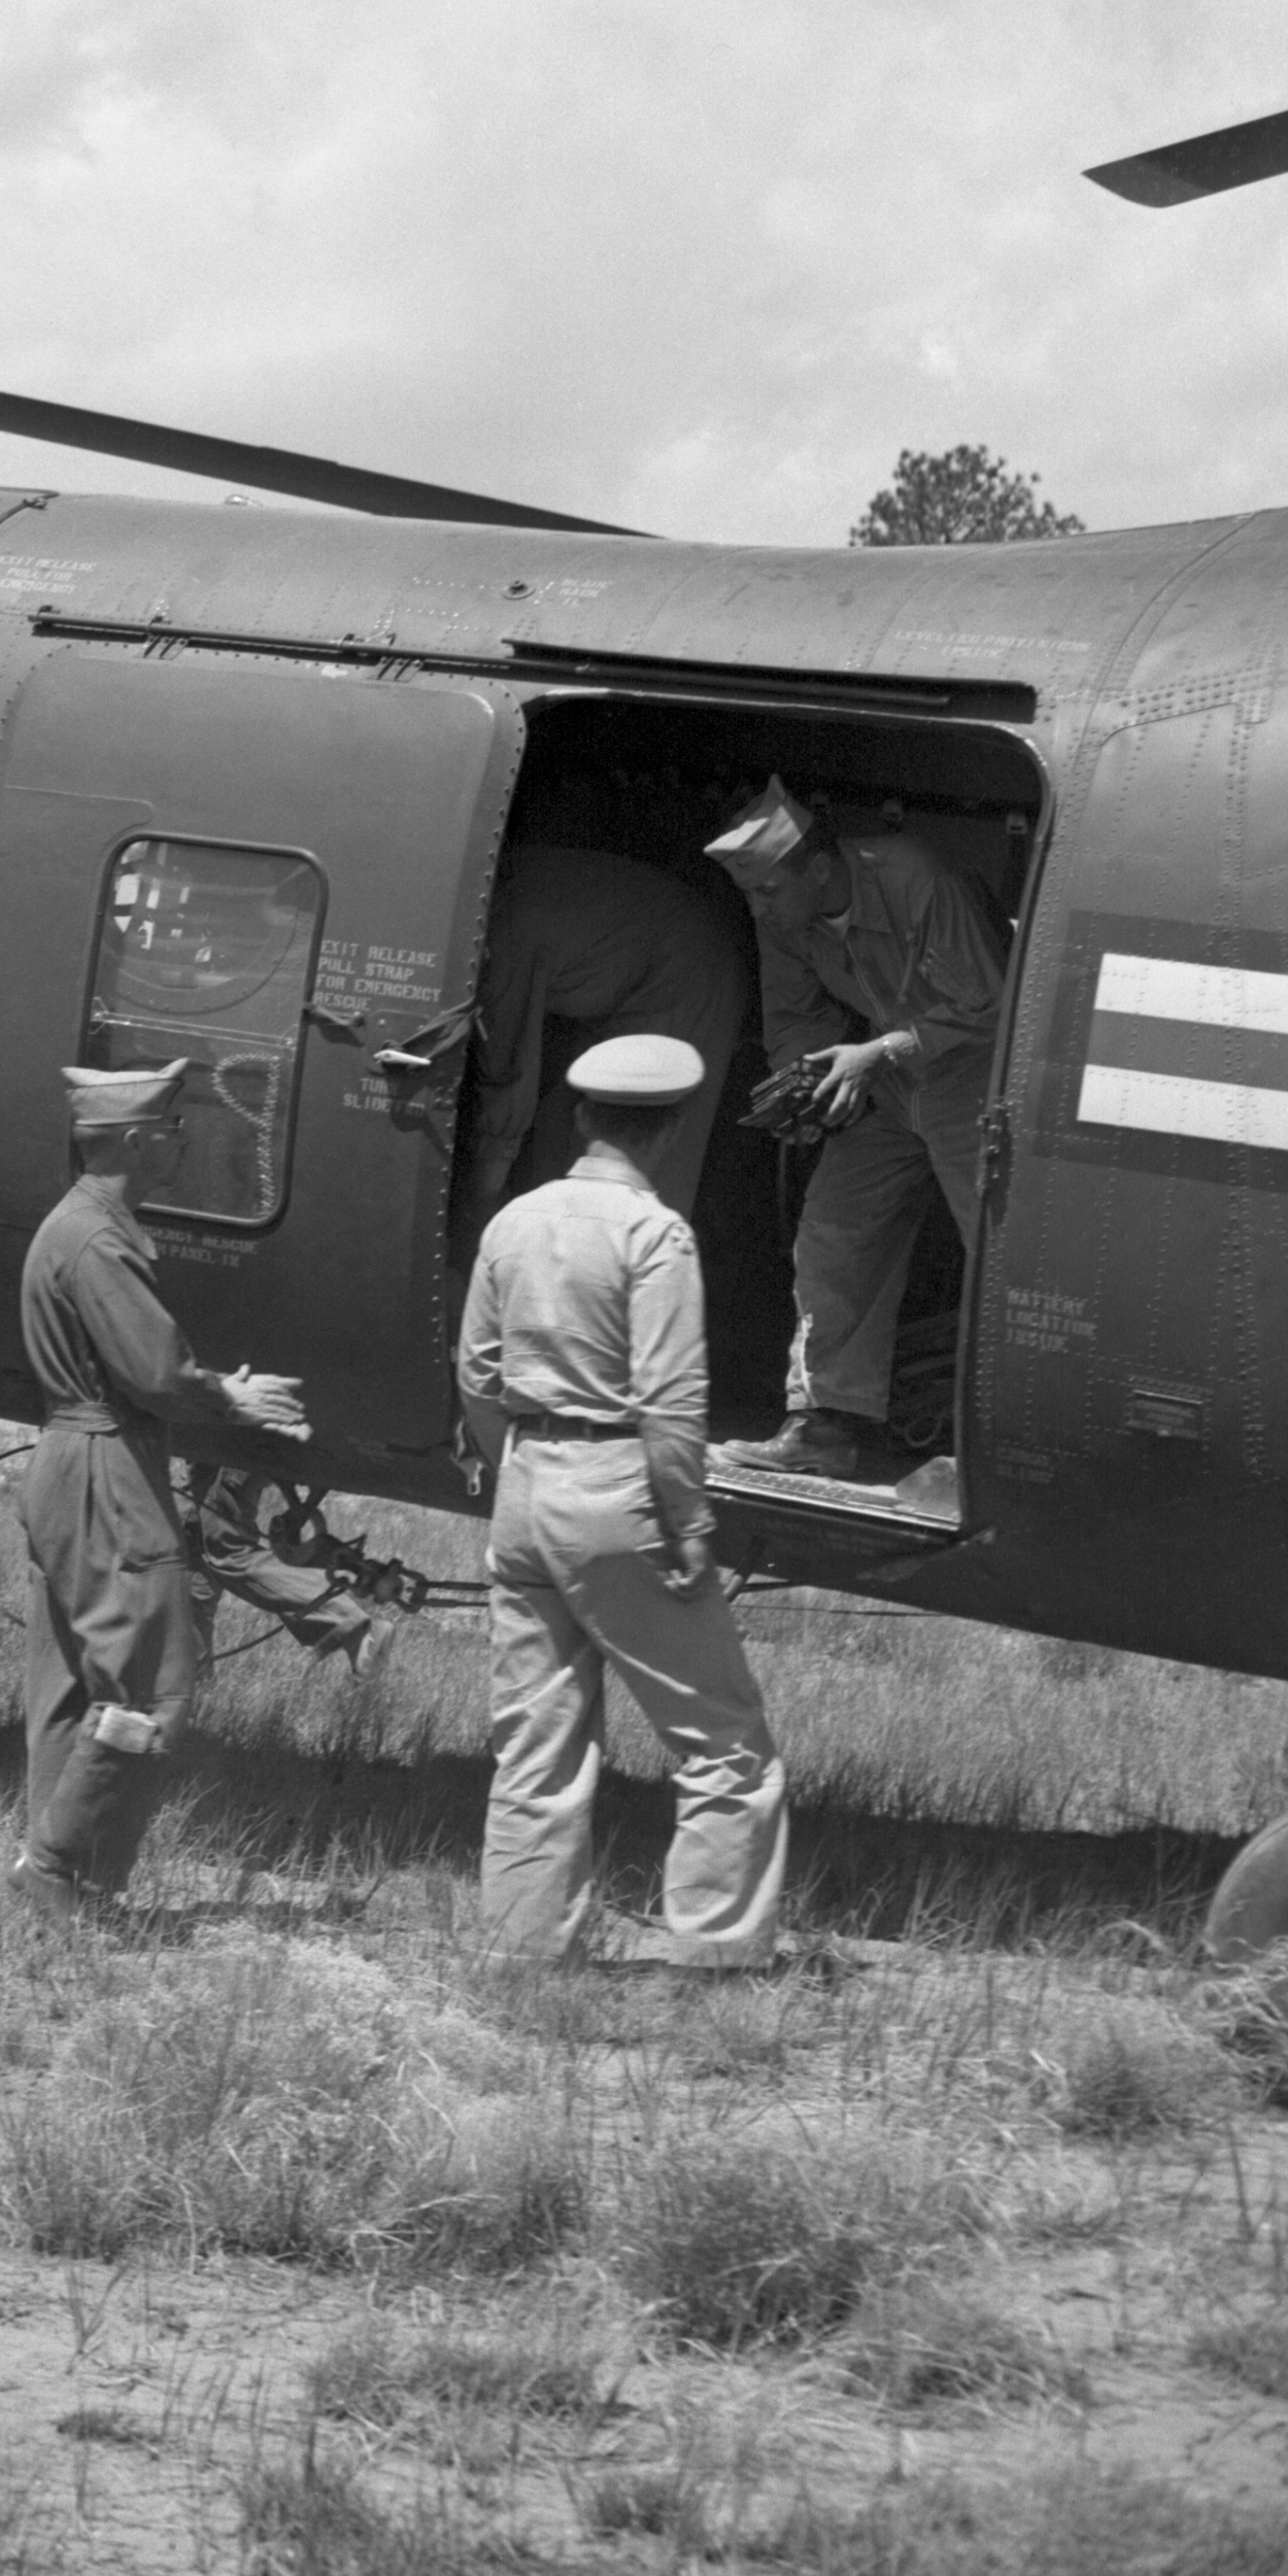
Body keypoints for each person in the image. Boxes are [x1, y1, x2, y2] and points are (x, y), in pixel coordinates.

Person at [458, 1036, 788, 1965]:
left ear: (580, 1118)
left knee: (536, 1745)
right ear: (675, 1125)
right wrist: (686, 1522)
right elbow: (670, 1401)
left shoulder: (514, 1221)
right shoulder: (655, 1235)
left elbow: (478, 1375)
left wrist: (516, 1473)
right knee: (723, 1744)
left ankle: (524, 1950)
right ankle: (716, 1958)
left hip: (525, 1483)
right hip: (617, 1494)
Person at [9, 1062, 311, 1920]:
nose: (181, 1139)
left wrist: (203, 1383)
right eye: (172, 1126)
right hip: (107, 1467)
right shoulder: (99, 1241)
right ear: (135, 1141)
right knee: (151, 1680)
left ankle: (62, 1888)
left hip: (75, 1455)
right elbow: (151, 1371)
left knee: (72, 1681)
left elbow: (137, 1367)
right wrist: (225, 1395)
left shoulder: (77, 1228)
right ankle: (58, 1866)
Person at [707, 780, 1009, 1487]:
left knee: (997, 1250)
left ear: (817, 868)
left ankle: (1003, 1449)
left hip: (972, 1075)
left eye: (767, 890)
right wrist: (807, 1088)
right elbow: (794, 1018)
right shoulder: (783, 914)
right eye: (751, 895)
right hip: (884, 1077)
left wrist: (878, 1053)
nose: (758, 907)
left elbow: (989, 1004)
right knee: (834, 1230)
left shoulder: (916, 879)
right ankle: (822, 1425)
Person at [464, 844, 752, 1219]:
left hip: (687, 977)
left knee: (631, 1159)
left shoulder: (508, 927)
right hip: (634, 983)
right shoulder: (506, 889)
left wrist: (481, 1204)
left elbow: (506, 1071)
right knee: (562, 1129)